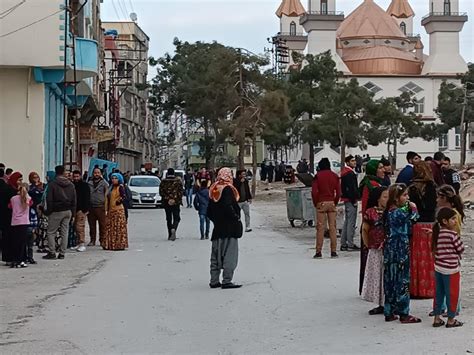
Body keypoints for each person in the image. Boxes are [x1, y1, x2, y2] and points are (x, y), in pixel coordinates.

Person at [383, 184, 421, 323]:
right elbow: (414, 219)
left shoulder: (389, 211)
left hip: (390, 249)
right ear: (396, 197)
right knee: (402, 280)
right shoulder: (399, 212)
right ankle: (404, 313)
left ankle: (389, 311)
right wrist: (414, 207)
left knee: (390, 280)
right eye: (404, 195)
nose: (407, 198)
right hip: (400, 249)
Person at [207, 167, 243, 289]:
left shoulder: (213, 188)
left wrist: (217, 221)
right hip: (230, 229)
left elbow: (209, 212)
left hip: (218, 229)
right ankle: (227, 280)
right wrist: (235, 218)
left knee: (215, 256)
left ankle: (214, 280)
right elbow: (228, 206)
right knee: (230, 255)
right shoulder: (227, 189)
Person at [408, 161, 437, 298]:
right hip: (430, 224)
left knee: (416, 258)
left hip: (416, 225)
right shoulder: (432, 187)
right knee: (429, 258)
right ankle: (430, 289)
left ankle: (416, 289)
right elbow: (432, 207)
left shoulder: (412, 187)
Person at [431, 208, 464, 328]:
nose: (455, 221)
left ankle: (437, 318)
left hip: (439, 267)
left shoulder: (437, 233)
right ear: (445, 221)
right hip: (451, 269)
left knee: (439, 293)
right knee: (452, 294)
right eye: (453, 219)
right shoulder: (452, 234)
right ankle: (451, 319)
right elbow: (460, 249)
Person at [361, 187, 389, 315]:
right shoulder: (370, 212)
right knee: (377, 275)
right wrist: (368, 245)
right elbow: (365, 230)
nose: (387, 199)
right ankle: (380, 303)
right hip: (376, 249)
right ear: (378, 198)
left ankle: (388, 302)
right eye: (385, 197)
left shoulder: (392, 212)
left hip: (389, 249)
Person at [358, 160, 385, 294]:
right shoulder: (373, 185)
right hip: (373, 224)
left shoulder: (368, 182)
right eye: (380, 168)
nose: (383, 170)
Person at [42, 165, 76, 260]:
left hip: (56, 211)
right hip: (68, 210)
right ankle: (62, 253)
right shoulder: (71, 184)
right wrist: (73, 213)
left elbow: (49, 200)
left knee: (51, 232)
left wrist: (47, 211)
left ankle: (52, 252)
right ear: (63, 172)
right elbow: (74, 200)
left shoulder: (52, 184)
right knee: (65, 232)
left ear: (56, 172)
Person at [311, 158, 341, 259]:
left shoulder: (317, 176)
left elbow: (314, 192)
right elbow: (338, 192)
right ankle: (333, 251)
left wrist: (316, 203)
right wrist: (335, 202)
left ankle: (319, 252)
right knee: (332, 228)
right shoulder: (334, 176)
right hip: (331, 202)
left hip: (321, 202)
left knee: (320, 228)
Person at [8, 183, 32, 268]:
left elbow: (9, 207)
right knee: (23, 243)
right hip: (24, 222)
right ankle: (22, 260)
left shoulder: (13, 199)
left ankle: (15, 260)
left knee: (15, 242)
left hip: (15, 222)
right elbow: (31, 204)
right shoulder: (28, 199)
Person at [1, 172, 22, 265]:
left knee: (9, 236)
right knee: (9, 237)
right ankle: (9, 257)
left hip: (10, 216)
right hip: (9, 215)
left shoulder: (12, 188)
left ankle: (9, 257)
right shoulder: (10, 190)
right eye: (19, 180)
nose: (20, 182)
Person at [103, 173, 128, 251]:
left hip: (118, 210)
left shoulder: (120, 187)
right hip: (110, 210)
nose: (113, 180)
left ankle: (118, 244)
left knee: (117, 228)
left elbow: (123, 196)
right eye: (112, 178)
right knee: (110, 228)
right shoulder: (110, 188)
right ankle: (110, 244)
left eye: (115, 178)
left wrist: (118, 201)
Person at [340, 155, 360, 251]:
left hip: (346, 199)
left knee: (347, 222)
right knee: (351, 222)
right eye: (352, 161)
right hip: (351, 200)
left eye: (354, 161)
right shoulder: (350, 174)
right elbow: (351, 188)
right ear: (347, 162)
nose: (354, 162)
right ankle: (350, 244)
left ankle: (344, 243)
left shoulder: (344, 173)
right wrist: (354, 200)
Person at [159, 168, 184, 241]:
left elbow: (161, 192)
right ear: (174, 174)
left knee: (168, 219)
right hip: (176, 202)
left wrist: (168, 198)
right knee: (177, 218)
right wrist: (175, 199)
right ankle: (174, 228)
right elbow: (181, 192)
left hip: (166, 202)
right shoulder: (178, 181)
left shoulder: (163, 182)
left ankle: (170, 234)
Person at [87, 168, 108, 247]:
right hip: (91, 207)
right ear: (93, 173)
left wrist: (106, 206)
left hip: (101, 207)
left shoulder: (104, 183)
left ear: (101, 174)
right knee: (91, 225)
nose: (96, 174)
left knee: (102, 225)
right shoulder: (89, 183)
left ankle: (102, 240)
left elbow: (107, 195)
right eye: (95, 173)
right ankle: (92, 240)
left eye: (98, 173)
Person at [72, 170, 91, 252]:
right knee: (75, 227)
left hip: (81, 209)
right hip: (74, 209)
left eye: (77, 176)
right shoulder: (72, 185)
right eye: (74, 176)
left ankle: (82, 243)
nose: (76, 178)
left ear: (80, 176)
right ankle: (78, 243)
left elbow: (87, 198)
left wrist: (85, 209)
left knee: (80, 227)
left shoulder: (85, 185)